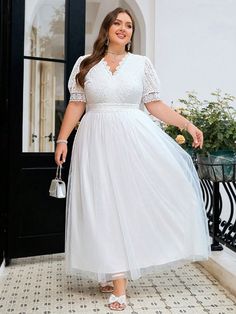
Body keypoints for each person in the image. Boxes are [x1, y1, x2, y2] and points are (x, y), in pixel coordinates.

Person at [55, 7, 211, 311]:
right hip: (93, 141)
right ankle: (110, 269)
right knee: (99, 205)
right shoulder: (85, 65)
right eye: (118, 23)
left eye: (129, 25)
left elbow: (153, 104)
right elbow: (76, 105)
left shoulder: (141, 64)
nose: (123, 28)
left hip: (131, 140)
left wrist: (187, 124)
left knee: (121, 204)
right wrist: (63, 139)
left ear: (131, 34)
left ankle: (119, 282)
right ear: (107, 28)